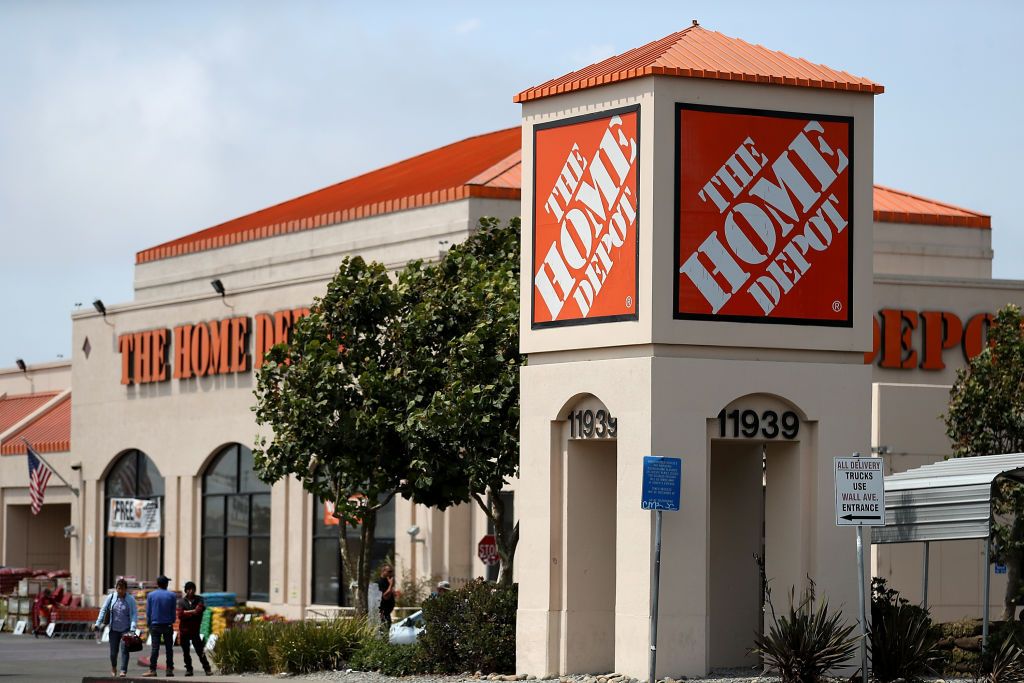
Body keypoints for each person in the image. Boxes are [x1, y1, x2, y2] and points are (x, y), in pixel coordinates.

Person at [93, 579, 138, 678]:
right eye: (118, 588)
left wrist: (133, 628)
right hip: (113, 629)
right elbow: (103, 610)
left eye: (122, 589)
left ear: (126, 589)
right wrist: (98, 623)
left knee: (125, 650)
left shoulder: (130, 599)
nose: (120, 591)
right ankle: (114, 667)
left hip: (126, 629)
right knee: (113, 653)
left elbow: (134, 614)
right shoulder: (111, 597)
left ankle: (123, 670)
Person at [142, 575, 176, 677]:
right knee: (169, 648)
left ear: (157, 584)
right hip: (168, 625)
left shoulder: (151, 595)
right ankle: (169, 669)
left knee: (155, 648)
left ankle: (152, 670)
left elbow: (148, 611)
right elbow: (173, 611)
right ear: (166, 584)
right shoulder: (172, 595)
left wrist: (149, 623)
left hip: (155, 625)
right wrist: (172, 620)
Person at [176, 581, 212, 677]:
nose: (191, 591)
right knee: (186, 652)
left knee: (200, 651)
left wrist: (186, 612)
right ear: (186, 590)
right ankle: (189, 669)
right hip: (184, 631)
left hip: (195, 631)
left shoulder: (200, 599)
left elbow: (199, 611)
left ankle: (207, 669)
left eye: (193, 589)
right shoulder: (181, 601)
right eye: (189, 589)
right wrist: (192, 611)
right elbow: (180, 615)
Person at [376, 564, 396, 631]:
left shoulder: (387, 581)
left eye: (392, 571)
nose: (391, 573)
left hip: (387, 612)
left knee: (387, 629)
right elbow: (384, 596)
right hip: (382, 612)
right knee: (383, 630)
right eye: (389, 571)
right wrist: (390, 585)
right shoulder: (380, 582)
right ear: (383, 571)